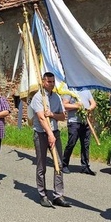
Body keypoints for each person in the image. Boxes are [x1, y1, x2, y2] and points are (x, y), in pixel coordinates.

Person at [30, 72, 70, 208]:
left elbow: (62, 117)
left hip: (55, 133)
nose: (52, 84)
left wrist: (52, 114)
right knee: (41, 166)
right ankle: (42, 194)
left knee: (58, 163)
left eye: (53, 82)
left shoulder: (57, 97)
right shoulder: (38, 97)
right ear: (43, 82)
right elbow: (41, 118)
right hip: (41, 134)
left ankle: (58, 195)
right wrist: (49, 134)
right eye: (49, 82)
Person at [61, 89, 97, 175]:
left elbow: (93, 103)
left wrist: (89, 108)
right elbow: (64, 105)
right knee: (71, 143)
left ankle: (85, 166)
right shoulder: (70, 91)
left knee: (85, 144)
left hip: (85, 121)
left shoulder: (86, 90)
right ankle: (64, 164)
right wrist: (77, 106)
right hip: (74, 122)